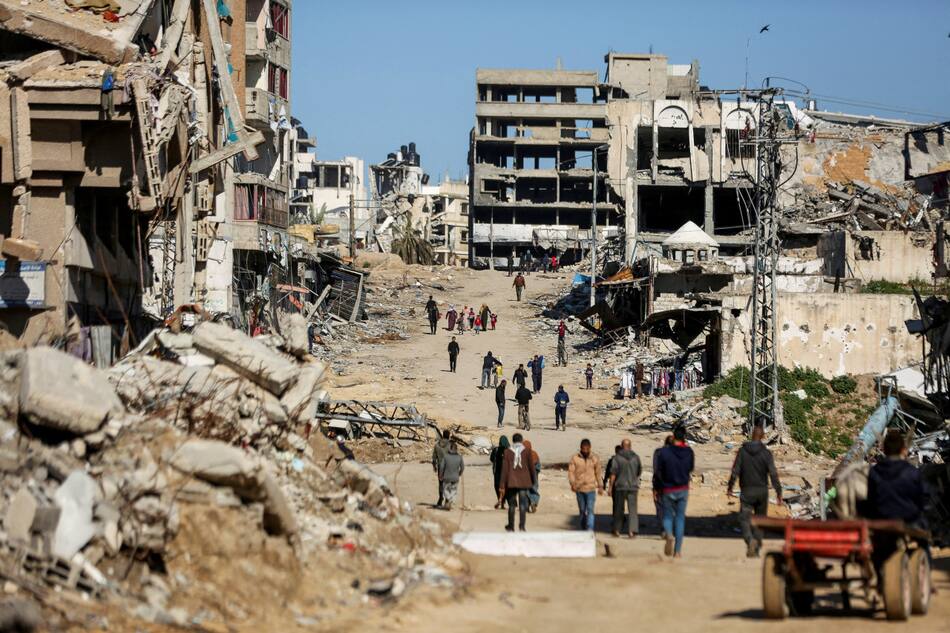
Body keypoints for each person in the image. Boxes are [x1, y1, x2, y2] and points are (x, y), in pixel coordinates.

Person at [727, 425, 783, 557]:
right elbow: (773, 474)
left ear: (752, 435)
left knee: (744, 519)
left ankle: (749, 540)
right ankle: (756, 548)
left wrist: (730, 487)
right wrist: (779, 492)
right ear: (763, 437)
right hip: (762, 491)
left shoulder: (742, 452)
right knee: (760, 520)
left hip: (747, 491)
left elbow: (735, 471)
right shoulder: (766, 453)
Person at [865, 429, 926, 527]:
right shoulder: (913, 472)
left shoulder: (873, 472)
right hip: (908, 519)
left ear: (884, 449)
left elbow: (870, 500)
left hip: (882, 519)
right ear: (903, 449)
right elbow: (919, 500)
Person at [656, 425, 695, 557]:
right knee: (680, 518)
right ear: (684, 436)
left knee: (667, 516)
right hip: (683, 488)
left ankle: (668, 533)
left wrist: (659, 486)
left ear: (673, 436)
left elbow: (659, 471)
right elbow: (690, 468)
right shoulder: (689, 452)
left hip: (668, 488)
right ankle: (677, 551)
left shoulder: (665, 452)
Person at [500, 433, 536, 532]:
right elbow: (531, 467)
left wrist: (502, 484)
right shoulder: (527, 451)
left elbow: (504, 469)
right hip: (524, 481)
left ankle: (511, 526)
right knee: (522, 505)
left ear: (513, 440)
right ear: (521, 440)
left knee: (512, 505)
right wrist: (533, 480)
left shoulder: (507, 452)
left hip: (511, 482)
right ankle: (522, 526)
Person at [609, 439, 642, 538]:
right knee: (633, 510)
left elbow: (613, 473)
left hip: (620, 486)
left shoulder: (617, 458)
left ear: (622, 446)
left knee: (619, 509)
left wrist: (610, 486)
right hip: (633, 486)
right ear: (630, 446)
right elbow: (639, 471)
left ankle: (617, 530)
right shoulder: (636, 458)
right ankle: (632, 531)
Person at [568, 439, 603, 531]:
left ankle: (590, 530)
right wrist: (572, 483)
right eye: (584, 449)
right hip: (579, 489)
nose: (585, 451)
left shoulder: (594, 458)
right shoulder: (575, 458)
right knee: (582, 510)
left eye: (587, 449)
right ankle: (584, 527)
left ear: (590, 448)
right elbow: (571, 472)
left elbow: (598, 473)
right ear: (581, 448)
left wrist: (600, 485)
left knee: (590, 510)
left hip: (591, 488)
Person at [653, 435, 674, 538]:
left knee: (660, 506)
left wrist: (655, 486)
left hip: (661, 484)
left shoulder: (658, 452)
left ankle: (664, 529)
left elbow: (656, 469)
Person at [439, 441, 465, 510]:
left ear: (450, 449)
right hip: (455, 477)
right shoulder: (459, 457)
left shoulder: (445, 456)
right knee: (454, 490)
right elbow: (462, 467)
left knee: (445, 490)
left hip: (446, 477)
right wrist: (459, 473)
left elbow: (441, 467)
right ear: (456, 449)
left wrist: (440, 475)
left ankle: (448, 499)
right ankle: (451, 501)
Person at [431, 430, 452, 507]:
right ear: (448, 436)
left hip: (441, 467)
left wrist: (434, 467)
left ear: (443, 435)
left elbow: (434, 458)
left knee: (441, 483)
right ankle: (447, 500)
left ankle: (440, 498)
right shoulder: (451, 445)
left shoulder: (437, 445)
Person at [490, 436, 510, 509]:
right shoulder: (508, 450)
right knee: (505, 487)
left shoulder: (496, 449)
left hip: (497, 472)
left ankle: (500, 499)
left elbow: (491, 459)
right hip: (506, 472)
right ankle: (502, 501)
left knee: (497, 486)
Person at [524, 439, 541, 513]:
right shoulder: (534, 453)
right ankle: (534, 502)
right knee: (534, 489)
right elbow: (538, 465)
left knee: (526, 490)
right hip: (534, 475)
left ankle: (527, 506)